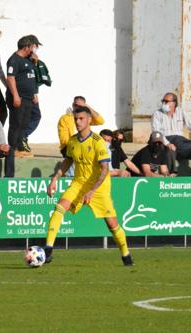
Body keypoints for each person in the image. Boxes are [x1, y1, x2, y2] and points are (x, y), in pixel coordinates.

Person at [44, 106, 134, 266]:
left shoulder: (98, 143)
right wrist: (55, 178)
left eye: (81, 119)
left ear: (89, 120)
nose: (78, 122)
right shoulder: (72, 141)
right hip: (78, 183)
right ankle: (48, 249)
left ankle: (126, 254)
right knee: (59, 208)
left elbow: (105, 169)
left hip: (99, 187)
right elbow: (68, 161)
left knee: (112, 224)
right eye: (76, 119)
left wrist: (92, 190)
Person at [151, 92, 191, 176]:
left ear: (174, 103)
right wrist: (168, 143)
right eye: (163, 101)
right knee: (168, 150)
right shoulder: (157, 114)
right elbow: (156, 132)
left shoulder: (181, 111)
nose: (163, 103)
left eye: (166, 101)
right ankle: (171, 175)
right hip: (165, 140)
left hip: (180, 141)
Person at [5, 35, 38, 158]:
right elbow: (10, 78)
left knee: (24, 123)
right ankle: (12, 149)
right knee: (16, 123)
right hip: (19, 98)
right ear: (26, 47)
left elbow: (32, 77)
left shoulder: (28, 59)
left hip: (29, 98)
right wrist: (15, 96)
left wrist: (34, 93)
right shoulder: (14, 60)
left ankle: (20, 147)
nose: (33, 49)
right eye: (31, 47)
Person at [21, 34, 48, 153]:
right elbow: (31, 79)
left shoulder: (34, 60)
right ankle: (22, 136)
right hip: (27, 94)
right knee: (34, 116)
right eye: (36, 46)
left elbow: (39, 79)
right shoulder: (25, 60)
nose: (37, 48)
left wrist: (36, 63)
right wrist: (34, 93)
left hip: (29, 93)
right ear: (31, 46)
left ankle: (22, 138)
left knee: (31, 117)